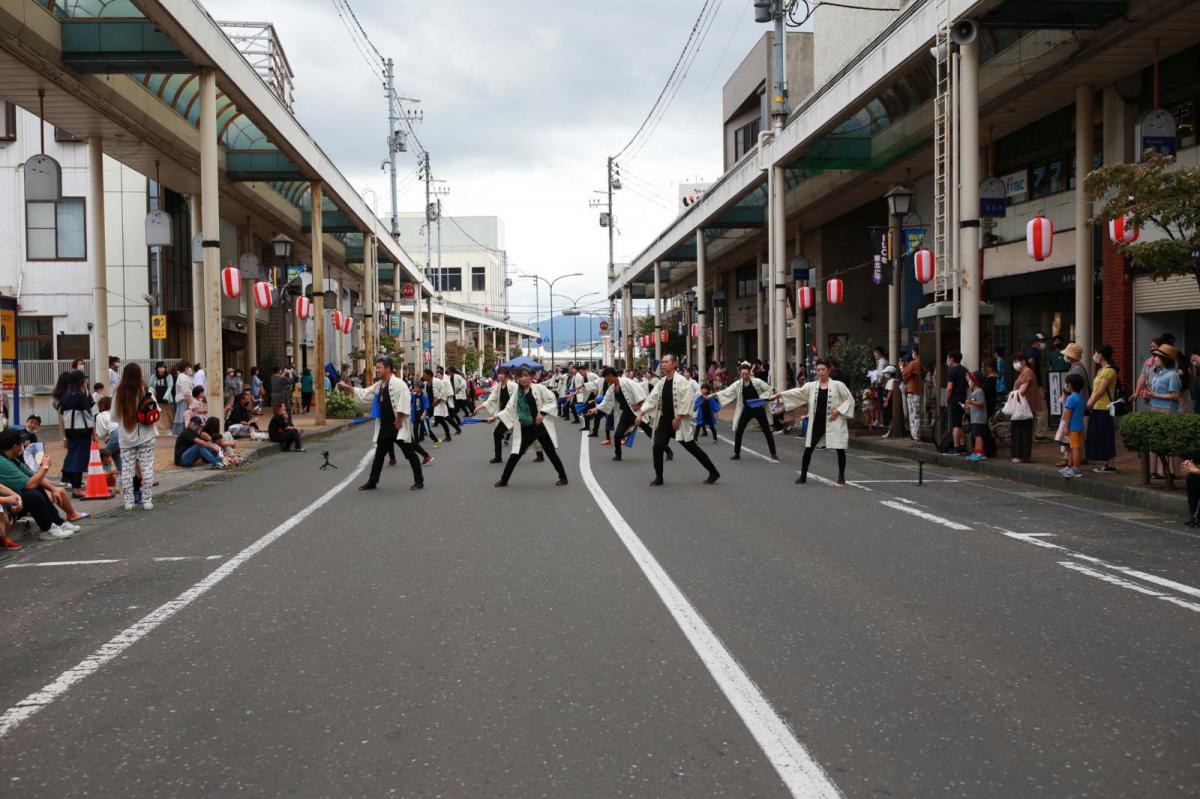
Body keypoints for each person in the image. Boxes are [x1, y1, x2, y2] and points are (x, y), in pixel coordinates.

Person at [340, 356, 424, 492]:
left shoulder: (399, 384)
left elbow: (405, 400)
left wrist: (399, 419)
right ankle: (372, 482)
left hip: (398, 426)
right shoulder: (379, 385)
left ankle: (419, 481)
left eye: (379, 368)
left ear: (388, 368)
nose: (377, 370)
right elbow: (365, 393)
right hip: (385, 427)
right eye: (376, 368)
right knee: (379, 456)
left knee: (410, 453)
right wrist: (347, 388)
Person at [636, 354, 720, 486]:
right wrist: (641, 412)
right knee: (657, 446)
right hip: (664, 421)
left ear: (674, 364)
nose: (663, 364)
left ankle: (714, 472)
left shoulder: (682, 381)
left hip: (678, 423)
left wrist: (679, 417)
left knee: (693, 449)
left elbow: (687, 400)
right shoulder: (662, 382)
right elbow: (652, 398)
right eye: (662, 362)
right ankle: (659, 477)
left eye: (666, 362)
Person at [773, 358, 854, 485]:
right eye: (818, 370)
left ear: (828, 370)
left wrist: (837, 412)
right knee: (808, 448)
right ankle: (803, 476)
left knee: (839, 448)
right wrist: (780, 395)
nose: (820, 372)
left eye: (823, 369)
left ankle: (841, 476)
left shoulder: (838, 385)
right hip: (817, 421)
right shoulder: (812, 386)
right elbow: (798, 393)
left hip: (834, 420)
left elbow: (849, 400)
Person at [489, 367, 568, 488]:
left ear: (532, 376)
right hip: (525, 428)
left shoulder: (539, 388)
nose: (523, 378)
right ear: (517, 377)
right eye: (521, 376)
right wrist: (496, 417)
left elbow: (551, 400)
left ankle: (563, 478)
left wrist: (542, 413)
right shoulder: (517, 392)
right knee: (514, 455)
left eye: (526, 376)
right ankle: (504, 480)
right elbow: (509, 409)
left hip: (540, 428)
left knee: (551, 453)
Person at [0, 429, 83, 540]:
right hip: (6, 506)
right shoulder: (2, 462)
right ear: (15, 446)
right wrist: (45, 467)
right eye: (21, 444)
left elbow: (31, 476)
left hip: (13, 500)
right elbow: (30, 484)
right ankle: (47, 529)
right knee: (32, 495)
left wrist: (53, 489)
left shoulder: (11, 458)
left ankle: (57, 523)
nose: (23, 447)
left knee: (38, 487)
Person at [113, 363, 158, 510]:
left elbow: (113, 416)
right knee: (146, 467)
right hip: (146, 435)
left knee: (127, 469)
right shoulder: (146, 390)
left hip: (126, 437)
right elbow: (156, 410)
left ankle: (128, 502)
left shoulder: (118, 393)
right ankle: (147, 501)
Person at [715, 362, 777, 460]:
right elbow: (727, 391)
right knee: (739, 430)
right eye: (743, 374)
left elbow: (768, 389)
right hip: (747, 409)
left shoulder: (757, 382)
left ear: (750, 373)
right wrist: (714, 395)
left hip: (758, 409)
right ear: (740, 374)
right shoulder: (738, 384)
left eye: (746, 374)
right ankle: (737, 453)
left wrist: (762, 398)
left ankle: (773, 453)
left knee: (767, 431)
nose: (745, 376)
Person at [591, 367, 652, 463]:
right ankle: (618, 454)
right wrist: (596, 408)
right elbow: (606, 400)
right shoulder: (612, 387)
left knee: (650, 433)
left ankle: (667, 450)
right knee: (617, 434)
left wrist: (638, 405)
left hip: (636, 413)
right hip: (626, 415)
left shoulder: (626, 382)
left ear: (610, 376)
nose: (606, 381)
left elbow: (641, 393)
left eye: (606, 378)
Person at [1142, 342, 1183, 480]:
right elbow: (1154, 392)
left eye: (1158, 356)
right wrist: (1148, 395)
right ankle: (1156, 471)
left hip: (1167, 409)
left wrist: (1155, 395)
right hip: (1154, 407)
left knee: (1166, 440)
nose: (1155, 359)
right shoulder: (1157, 373)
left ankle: (1167, 471)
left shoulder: (1173, 375)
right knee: (1156, 440)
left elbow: (1175, 395)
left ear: (1165, 359)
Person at [59, 370, 94, 497]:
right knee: (80, 459)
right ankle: (77, 489)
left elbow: (62, 414)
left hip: (70, 431)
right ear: (80, 382)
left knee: (73, 456)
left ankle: (73, 485)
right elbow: (88, 414)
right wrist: (93, 431)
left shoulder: (66, 396)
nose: (85, 382)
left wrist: (64, 435)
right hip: (83, 431)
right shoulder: (81, 396)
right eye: (84, 380)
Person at [1085, 344, 1119, 474]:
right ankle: (1107, 463)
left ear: (1102, 355)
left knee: (1106, 435)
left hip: (1104, 407)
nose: (1094, 356)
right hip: (1098, 407)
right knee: (1100, 435)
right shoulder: (1101, 370)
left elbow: (1101, 390)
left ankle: (1111, 464)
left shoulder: (1109, 371)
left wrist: (1090, 401)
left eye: (1096, 353)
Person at [476, 366, 514, 464]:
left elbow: (512, 405)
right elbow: (491, 398)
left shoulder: (513, 386)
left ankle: (540, 452)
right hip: (504, 414)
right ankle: (498, 457)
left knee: (528, 435)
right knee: (497, 433)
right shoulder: (499, 386)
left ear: (506, 375)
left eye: (502, 373)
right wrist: (480, 407)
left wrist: (495, 417)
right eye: (499, 373)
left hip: (513, 414)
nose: (500, 375)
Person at [1009, 354, 1039, 463]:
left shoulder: (1027, 372)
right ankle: (1023, 455)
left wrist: (1012, 395)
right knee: (1023, 431)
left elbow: (1022, 390)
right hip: (1023, 406)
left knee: (1020, 431)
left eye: (1016, 361)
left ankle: (1019, 455)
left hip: (1023, 406)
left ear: (1023, 361)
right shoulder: (1025, 372)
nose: (1015, 364)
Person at [1059, 373, 1087, 479]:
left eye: (1066, 384)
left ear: (1070, 385)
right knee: (1077, 448)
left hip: (1073, 428)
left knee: (1074, 448)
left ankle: (1076, 469)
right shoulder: (1081, 398)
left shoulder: (1071, 398)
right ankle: (1073, 467)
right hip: (1080, 426)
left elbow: (1068, 413)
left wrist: (1066, 426)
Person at [945, 351, 969, 454]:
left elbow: (949, 388)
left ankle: (956, 447)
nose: (947, 360)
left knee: (955, 424)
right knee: (960, 423)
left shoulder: (952, 371)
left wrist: (946, 399)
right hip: (963, 398)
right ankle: (963, 446)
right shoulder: (965, 370)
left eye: (947, 358)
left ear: (952, 359)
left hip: (954, 399)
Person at [964, 371, 992, 461]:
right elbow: (977, 404)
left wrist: (971, 402)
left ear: (975, 380)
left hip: (979, 418)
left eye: (970, 379)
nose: (969, 381)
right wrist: (969, 405)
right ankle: (977, 452)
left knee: (978, 435)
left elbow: (981, 403)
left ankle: (979, 453)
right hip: (976, 418)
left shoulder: (979, 391)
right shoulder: (976, 391)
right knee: (976, 435)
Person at [428, 368, 458, 440]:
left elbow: (446, 391)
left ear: (442, 375)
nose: (438, 376)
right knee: (446, 418)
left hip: (442, 401)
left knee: (446, 418)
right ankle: (455, 429)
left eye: (439, 375)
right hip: (437, 403)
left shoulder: (443, 381)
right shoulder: (434, 382)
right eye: (437, 375)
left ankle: (450, 434)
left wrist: (439, 399)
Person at [94, 396, 121, 473]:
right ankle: (121, 471)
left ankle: (105, 473)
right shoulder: (115, 413)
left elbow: (101, 434)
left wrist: (103, 436)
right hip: (124, 436)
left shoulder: (100, 415)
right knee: (115, 454)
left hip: (115, 437)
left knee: (103, 455)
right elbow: (115, 427)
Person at [901, 349, 922, 442]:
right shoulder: (921, 363)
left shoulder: (914, 363)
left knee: (913, 415)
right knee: (916, 414)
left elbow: (904, 373)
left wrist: (902, 367)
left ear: (915, 353)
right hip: (919, 390)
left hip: (913, 391)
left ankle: (915, 435)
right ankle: (916, 434)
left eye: (913, 352)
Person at [150, 362, 175, 435]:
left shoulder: (169, 376)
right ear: (157, 369)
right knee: (159, 414)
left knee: (168, 414)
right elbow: (151, 386)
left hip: (167, 398)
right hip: (157, 398)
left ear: (165, 368)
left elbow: (170, 386)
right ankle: (160, 430)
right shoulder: (153, 376)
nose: (161, 369)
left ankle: (169, 428)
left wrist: (166, 396)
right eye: (160, 368)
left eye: (163, 368)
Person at [172, 362, 194, 436]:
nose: (190, 370)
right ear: (186, 369)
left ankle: (181, 431)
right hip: (184, 400)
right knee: (184, 416)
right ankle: (182, 431)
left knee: (182, 415)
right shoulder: (183, 377)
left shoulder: (183, 376)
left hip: (184, 399)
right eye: (189, 368)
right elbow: (186, 392)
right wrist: (191, 403)